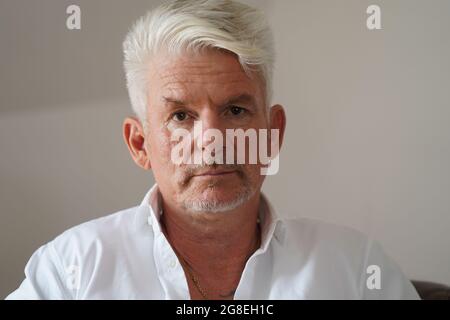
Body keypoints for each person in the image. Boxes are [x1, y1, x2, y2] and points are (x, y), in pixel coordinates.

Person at [6, 0, 419, 300]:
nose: (212, 139)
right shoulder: (69, 274)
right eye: (181, 116)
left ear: (272, 133)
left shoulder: (355, 270)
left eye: (236, 109)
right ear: (140, 144)